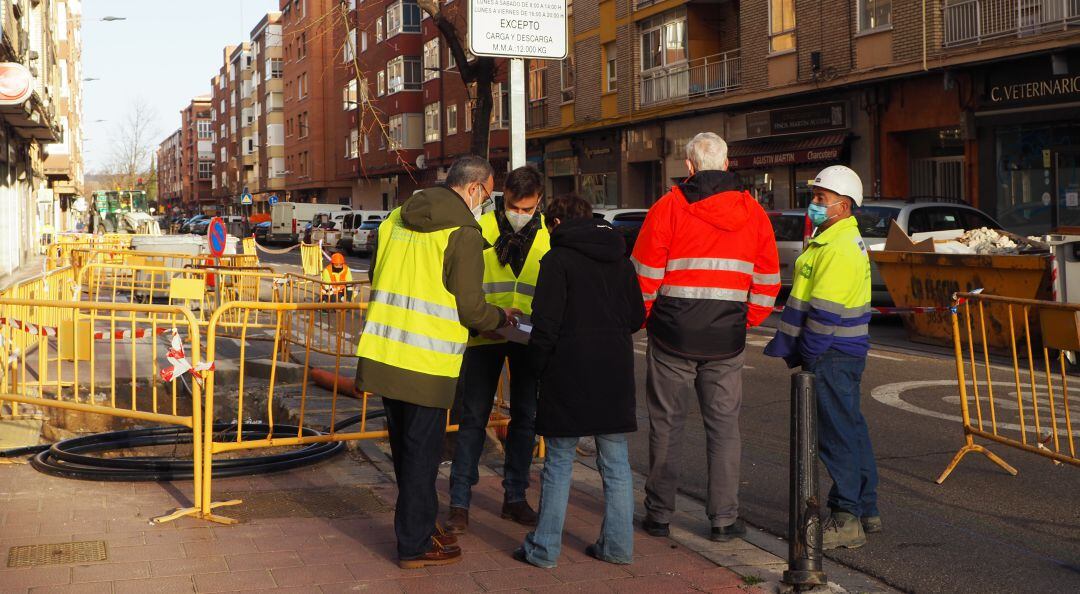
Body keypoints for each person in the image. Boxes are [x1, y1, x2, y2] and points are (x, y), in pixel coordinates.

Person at [355, 155, 520, 569]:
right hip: (426, 365)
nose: (488, 202)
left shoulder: (394, 218)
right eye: (489, 193)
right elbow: (471, 309)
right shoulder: (463, 233)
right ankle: (414, 543)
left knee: (406, 455)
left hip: (384, 354)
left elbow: (378, 275)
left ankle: (421, 526)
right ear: (475, 188)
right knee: (422, 458)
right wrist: (503, 319)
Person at [631, 132, 780, 542]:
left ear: (690, 167)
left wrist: (644, 319)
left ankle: (659, 515)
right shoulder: (753, 212)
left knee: (665, 425)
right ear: (728, 164)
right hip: (726, 339)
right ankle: (723, 520)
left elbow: (644, 277)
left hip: (672, 336)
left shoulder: (668, 208)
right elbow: (767, 281)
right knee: (724, 428)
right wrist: (742, 320)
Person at [515, 194, 645, 568]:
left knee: (558, 461)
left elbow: (545, 326)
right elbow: (636, 316)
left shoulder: (557, 261)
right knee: (616, 463)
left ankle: (544, 550)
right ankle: (618, 548)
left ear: (555, 223)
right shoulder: (621, 260)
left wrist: (535, 367)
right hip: (615, 369)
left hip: (567, 369)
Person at [763, 165, 878, 550]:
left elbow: (824, 315)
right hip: (838, 354)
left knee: (836, 437)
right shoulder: (833, 240)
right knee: (851, 430)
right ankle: (865, 509)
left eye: (820, 199)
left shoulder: (839, 247)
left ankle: (847, 519)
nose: (813, 204)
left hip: (830, 355)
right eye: (814, 196)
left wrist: (808, 356)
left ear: (843, 207)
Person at [447, 165, 549, 533]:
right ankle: (459, 502)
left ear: (538, 203)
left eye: (528, 209)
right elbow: (466, 285)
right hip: (484, 335)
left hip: (526, 339)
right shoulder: (480, 229)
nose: (520, 216)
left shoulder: (546, 236)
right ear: (503, 198)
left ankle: (515, 497)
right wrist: (483, 322)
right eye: (514, 207)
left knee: (526, 419)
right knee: (473, 418)